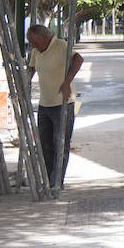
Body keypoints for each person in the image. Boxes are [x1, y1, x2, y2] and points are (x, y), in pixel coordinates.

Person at [27, 24, 83, 188]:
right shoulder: (36, 51)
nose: (32, 45)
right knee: (44, 144)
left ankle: (57, 181)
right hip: (44, 104)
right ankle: (49, 179)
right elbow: (31, 69)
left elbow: (78, 59)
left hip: (62, 104)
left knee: (60, 143)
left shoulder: (61, 46)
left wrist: (67, 82)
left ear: (44, 37)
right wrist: (25, 84)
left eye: (34, 41)